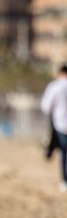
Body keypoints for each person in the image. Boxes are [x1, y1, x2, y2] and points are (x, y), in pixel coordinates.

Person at [41, 64, 67, 192]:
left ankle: (65, 181)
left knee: (64, 152)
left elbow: (46, 106)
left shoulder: (55, 86)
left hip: (61, 125)